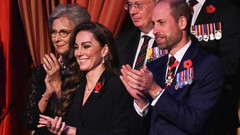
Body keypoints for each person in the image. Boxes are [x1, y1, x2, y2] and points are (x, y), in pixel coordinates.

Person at [120, 0, 225, 134]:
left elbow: (195, 122)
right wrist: (141, 102)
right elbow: (140, 130)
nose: (155, 30)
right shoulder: (153, 66)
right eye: (153, 24)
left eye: (161, 23)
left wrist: (154, 90)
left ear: (182, 22)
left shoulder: (207, 64)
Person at [37, 22, 133, 135]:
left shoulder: (117, 86)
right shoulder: (74, 85)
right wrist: (57, 128)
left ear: (104, 50)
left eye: (86, 46)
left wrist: (73, 131)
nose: (79, 53)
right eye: (76, 47)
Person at [22, 4, 91, 135]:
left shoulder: (87, 72)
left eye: (63, 32)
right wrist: (48, 93)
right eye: (53, 32)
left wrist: (58, 85)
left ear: (79, 34)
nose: (57, 39)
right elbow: (29, 122)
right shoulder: (42, 71)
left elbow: (78, 122)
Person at [187, 0, 240, 133]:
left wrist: (192, 73)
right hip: (176, 116)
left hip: (215, 116)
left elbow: (232, 63)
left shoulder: (227, 11)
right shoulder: (173, 6)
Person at [115, 0, 159, 70]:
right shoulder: (124, 40)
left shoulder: (170, 39)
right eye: (130, 5)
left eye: (139, 5)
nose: (132, 11)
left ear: (157, 3)